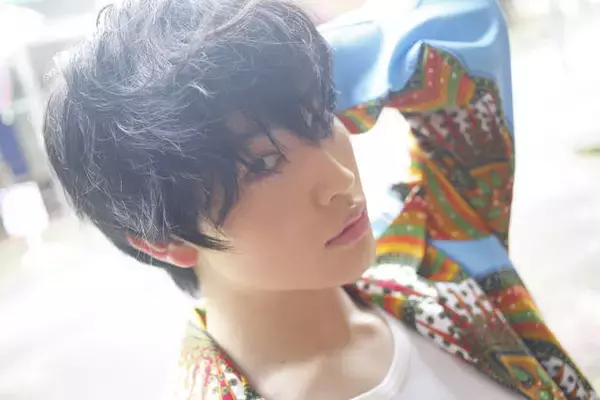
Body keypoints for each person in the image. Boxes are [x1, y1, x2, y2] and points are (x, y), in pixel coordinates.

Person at [44, 0, 597, 399]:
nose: (339, 178)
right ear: (163, 240)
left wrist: (283, 78)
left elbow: (457, 24)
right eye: (263, 164)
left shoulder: (431, 263)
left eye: (321, 118)